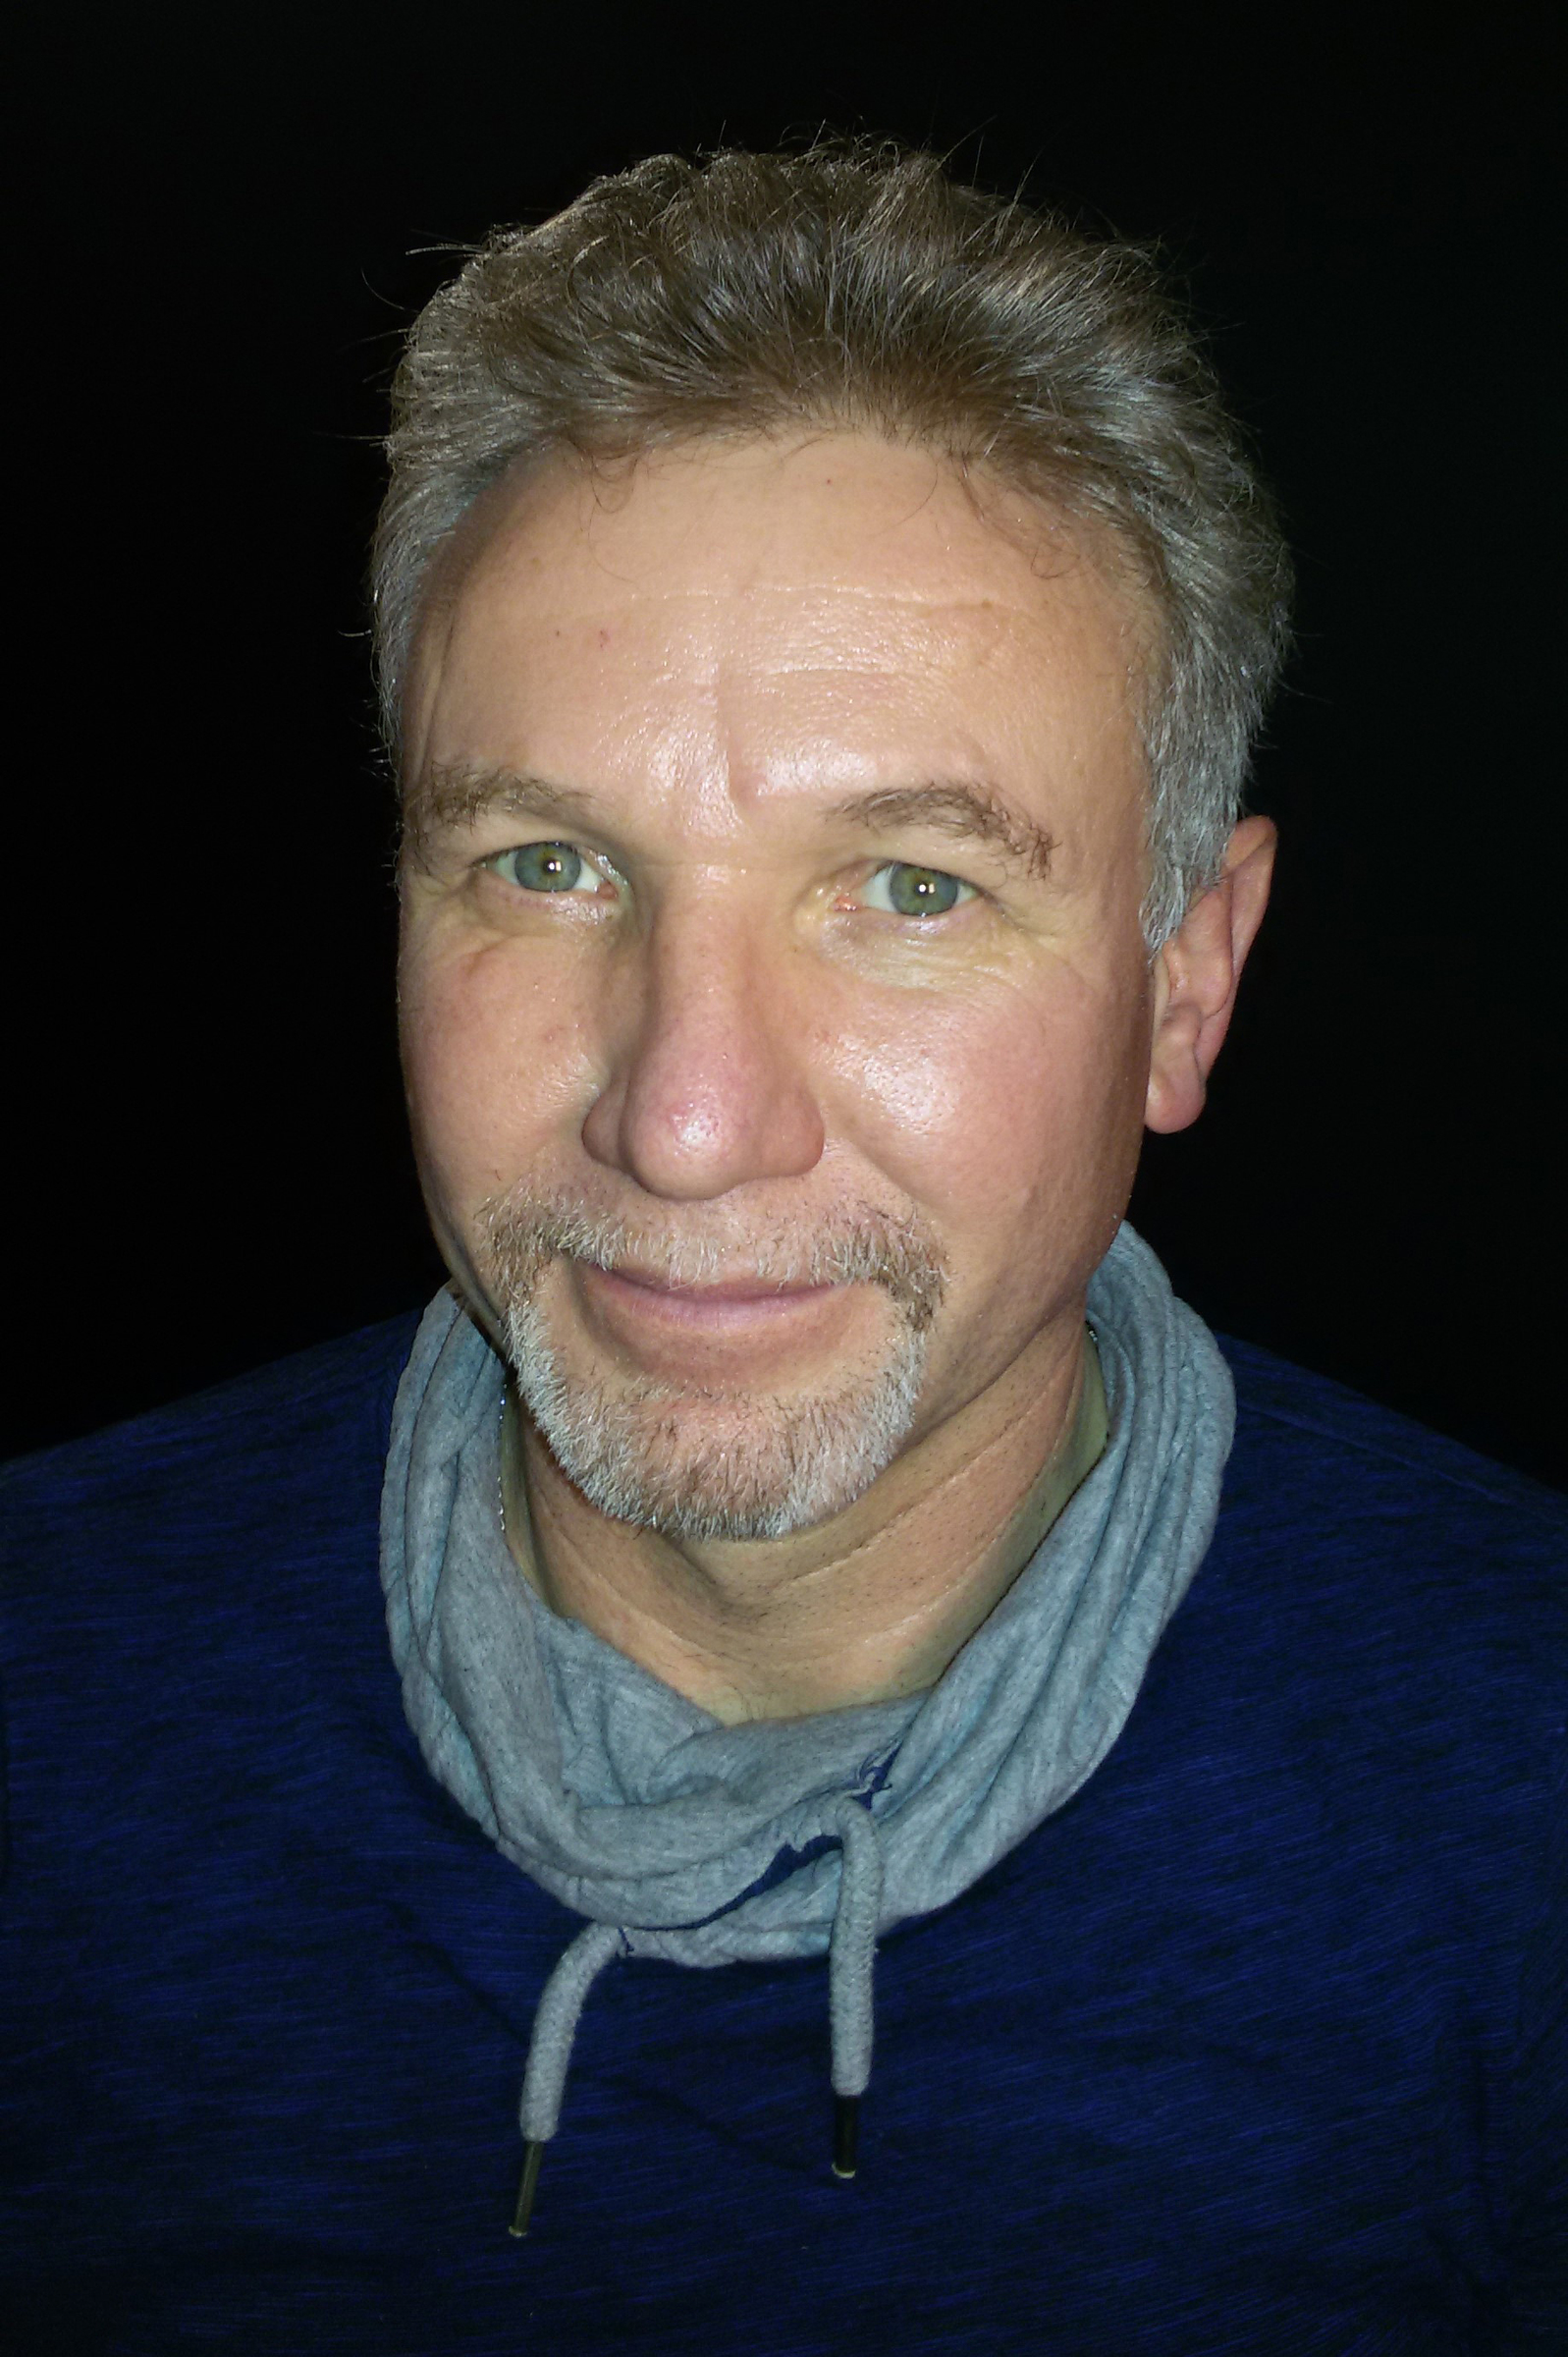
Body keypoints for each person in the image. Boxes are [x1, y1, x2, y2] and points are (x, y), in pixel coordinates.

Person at [3, 141, 1562, 2355]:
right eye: (546, 865)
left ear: (1185, 983)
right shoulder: (40, 1700)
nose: (685, 1117)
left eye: (912, 888)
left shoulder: (1523, 1804)